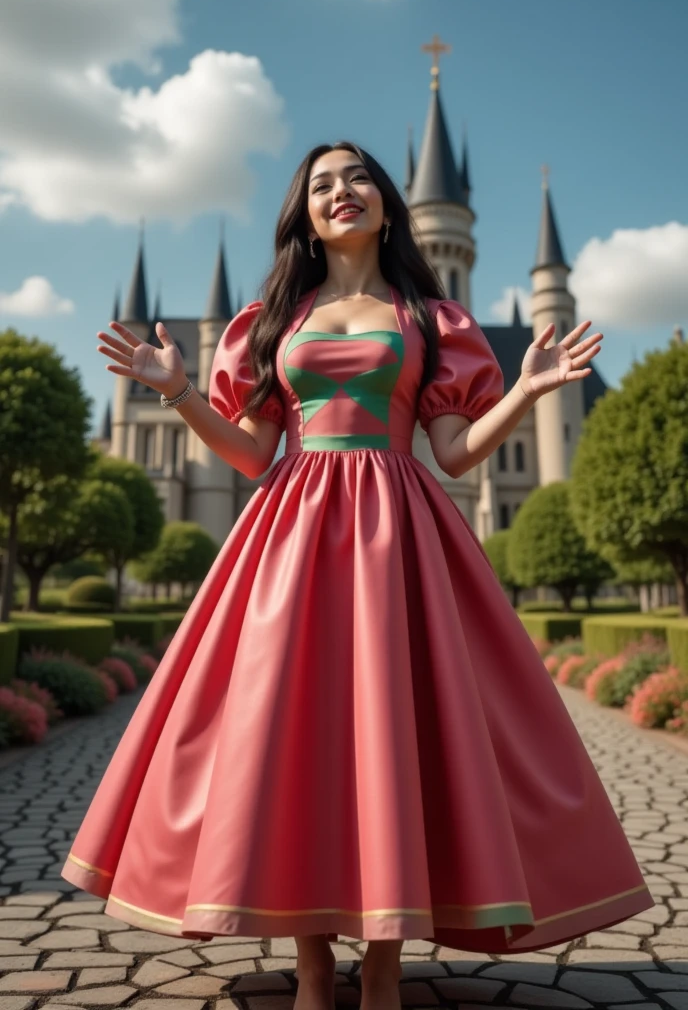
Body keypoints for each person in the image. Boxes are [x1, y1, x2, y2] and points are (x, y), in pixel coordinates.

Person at [62, 141, 654, 1010]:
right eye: (322, 185)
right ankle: (311, 965)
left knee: (393, 736)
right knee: (293, 736)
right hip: (292, 532)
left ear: (387, 201)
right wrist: (181, 393)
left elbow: (452, 450)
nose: (342, 192)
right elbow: (256, 452)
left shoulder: (430, 318)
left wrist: (523, 394)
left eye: (359, 178)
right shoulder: (273, 320)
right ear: (304, 215)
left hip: (398, 529)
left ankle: (380, 965)